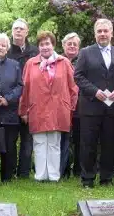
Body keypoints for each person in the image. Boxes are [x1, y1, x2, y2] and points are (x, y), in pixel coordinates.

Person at [74, 18, 114, 188]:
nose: (103, 34)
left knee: (110, 144)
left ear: (112, 33)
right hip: (91, 107)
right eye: (99, 31)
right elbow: (78, 76)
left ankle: (107, 178)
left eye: (106, 31)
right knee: (88, 143)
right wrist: (94, 91)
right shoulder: (85, 52)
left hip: (112, 108)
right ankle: (87, 178)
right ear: (95, 33)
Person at [19, 31, 78, 182]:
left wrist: (70, 106)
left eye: (47, 44)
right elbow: (25, 88)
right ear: (38, 47)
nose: (45, 47)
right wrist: (23, 110)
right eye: (41, 44)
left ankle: (53, 176)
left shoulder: (64, 62)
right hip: (37, 108)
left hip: (58, 109)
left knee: (54, 142)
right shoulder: (31, 63)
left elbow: (73, 88)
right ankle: (40, 175)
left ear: (53, 45)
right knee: (39, 142)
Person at [0, 33, 23, 183]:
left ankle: (7, 177)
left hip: (10, 111)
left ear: (7, 48)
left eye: (3, 45)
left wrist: (7, 99)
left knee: (9, 145)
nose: (0, 47)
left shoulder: (15, 65)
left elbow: (20, 86)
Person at [7, 18, 39, 179]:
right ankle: (10, 172)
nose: (18, 31)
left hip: (30, 101)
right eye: (15, 29)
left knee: (28, 140)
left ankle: (24, 173)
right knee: (11, 140)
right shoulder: (5, 50)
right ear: (12, 32)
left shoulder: (35, 51)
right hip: (10, 103)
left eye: (21, 29)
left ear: (27, 32)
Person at [60, 32, 81, 178]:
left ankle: (79, 170)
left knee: (80, 140)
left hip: (81, 107)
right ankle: (64, 170)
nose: (72, 46)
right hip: (62, 107)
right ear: (63, 45)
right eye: (69, 43)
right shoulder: (57, 61)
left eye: (75, 44)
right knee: (63, 140)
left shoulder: (84, 60)